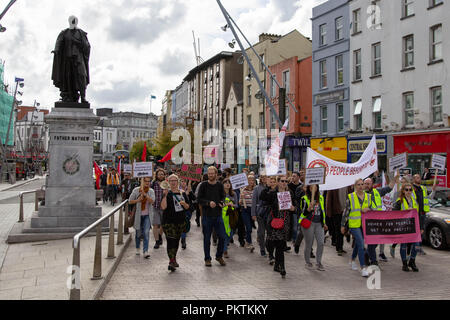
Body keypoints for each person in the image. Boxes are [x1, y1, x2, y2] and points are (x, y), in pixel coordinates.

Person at [260, 176, 295, 278]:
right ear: (278, 182)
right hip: (274, 221)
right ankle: (276, 264)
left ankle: (282, 267)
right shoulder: (273, 193)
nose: (284, 183)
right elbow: (262, 197)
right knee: (272, 243)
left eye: (286, 181)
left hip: (285, 222)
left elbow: (296, 206)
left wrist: (294, 208)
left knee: (280, 245)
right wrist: (268, 186)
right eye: (282, 181)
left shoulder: (290, 193)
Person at [51, 16, 90, 103]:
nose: (73, 22)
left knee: (82, 76)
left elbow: (87, 46)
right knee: (67, 77)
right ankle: (67, 96)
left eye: (75, 20)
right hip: (67, 60)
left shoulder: (81, 33)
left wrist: (78, 43)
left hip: (79, 59)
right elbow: (59, 42)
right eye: (72, 20)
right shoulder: (64, 33)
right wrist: (56, 50)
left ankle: (83, 97)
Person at [364, 174, 399, 264]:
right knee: (371, 242)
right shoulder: (361, 194)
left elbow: (389, 188)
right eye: (365, 183)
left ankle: (367, 255)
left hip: (377, 222)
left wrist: (395, 179)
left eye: (368, 183)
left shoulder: (377, 192)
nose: (367, 185)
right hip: (366, 223)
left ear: (372, 184)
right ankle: (373, 261)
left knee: (375, 242)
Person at [341, 179, 371, 277]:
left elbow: (374, 208)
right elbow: (346, 212)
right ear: (355, 186)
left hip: (364, 224)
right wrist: (342, 225)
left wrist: (369, 209)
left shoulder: (368, 196)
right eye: (358, 185)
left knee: (359, 243)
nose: (361, 186)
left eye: (362, 184)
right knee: (361, 244)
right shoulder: (351, 197)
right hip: (354, 224)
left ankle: (352, 259)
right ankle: (363, 267)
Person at [197, 166, 227, 267]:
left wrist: (222, 202)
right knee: (206, 238)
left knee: (222, 236)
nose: (210, 175)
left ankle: (219, 256)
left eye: (212, 173)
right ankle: (207, 258)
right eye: (209, 173)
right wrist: (208, 203)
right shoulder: (203, 185)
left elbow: (223, 196)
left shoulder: (219, 185)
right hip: (207, 216)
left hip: (218, 215)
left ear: (216, 174)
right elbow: (199, 199)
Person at [161, 174, 190, 271]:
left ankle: (174, 258)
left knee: (176, 241)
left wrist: (184, 204)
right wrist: (165, 195)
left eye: (175, 180)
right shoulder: (167, 193)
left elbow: (188, 207)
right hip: (168, 222)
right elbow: (163, 207)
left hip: (180, 221)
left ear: (178, 182)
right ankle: (171, 260)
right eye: (171, 181)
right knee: (170, 240)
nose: (173, 182)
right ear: (168, 182)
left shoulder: (182, 193)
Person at [393, 182, 420, 272]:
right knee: (403, 245)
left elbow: (418, 213)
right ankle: (404, 264)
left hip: (413, 226)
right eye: (406, 189)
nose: (408, 191)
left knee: (417, 245)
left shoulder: (414, 200)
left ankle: (412, 261)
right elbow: (394, 213)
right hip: (403, 227)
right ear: (403, 191)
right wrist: (405, 212)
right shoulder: (399, 201)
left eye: (410, 190)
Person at [299, 184, 327, 271]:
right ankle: (307, 261)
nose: (313, 189)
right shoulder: (304, 198)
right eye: (311, 187)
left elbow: (323, 211)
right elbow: (302, 212)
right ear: (308, 189)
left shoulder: (321, 198)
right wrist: (308, 208)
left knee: (321, 242)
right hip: (309, 223)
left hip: (319, 223)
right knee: (309, 244)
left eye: (315, 187)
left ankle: (318, 262)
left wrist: (324, 223)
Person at [129, 177, 155, 259]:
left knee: (146, 233)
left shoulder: (151, 191)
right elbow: (130, 201)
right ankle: (137, 248)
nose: (147, 183)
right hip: (138, 215)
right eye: (145, 181)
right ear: (141, 181)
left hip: (147, 215)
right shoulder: (136, 190)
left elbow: (152, 201)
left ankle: (145, 251)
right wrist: (138, 200)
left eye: (149, 181)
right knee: (138, 233)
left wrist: (145, 195)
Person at [325, 187, 348, 256]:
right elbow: (328, 199)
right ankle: (339, 248)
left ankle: (340, 246)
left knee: (344, 229)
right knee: (338, 230)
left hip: (346, 211)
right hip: (337, 211)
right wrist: (328, 213)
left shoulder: (348, 186)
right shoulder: (334, 186)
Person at [411, 174, 429, 255]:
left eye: (419, 177)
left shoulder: (423, 188)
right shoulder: (411, 188)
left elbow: (427, 198)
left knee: (421, 231)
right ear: (413, 179)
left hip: (422, 213)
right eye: (417, 177)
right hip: (415, 213)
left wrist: (434, 190)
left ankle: (419, 247)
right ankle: (416, 248)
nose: (419, 179)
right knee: (416, 232)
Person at [252, 175, 270, 257]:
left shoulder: (271, 187)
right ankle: (262, 249)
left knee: (269, 232)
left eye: (266, 177)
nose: (264, 179)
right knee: (261, 232)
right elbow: (254, 201)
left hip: (270, 213)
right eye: (263, 177)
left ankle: (269, 247)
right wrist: (253, 214)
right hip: (261, 212)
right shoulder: (257, 188)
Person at [222, 178, 239, 258]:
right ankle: (224, 250)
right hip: (223, 216)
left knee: (231, 233)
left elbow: (237, 205)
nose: (227, 184)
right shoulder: (221, 194)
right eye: (225, 183)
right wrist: (224, 205)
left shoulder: (234, 194)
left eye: (229, 183)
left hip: (231, 216)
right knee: (225, 233)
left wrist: (232, 205)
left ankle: (224, 245)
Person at [239, 175, 256, 252]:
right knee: (248, 227)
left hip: (252, 211)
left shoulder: (255, 190)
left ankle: (247, 241)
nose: (251, 182)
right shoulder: (243, 190)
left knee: (250, 228)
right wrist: (241, 198)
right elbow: (239, 203)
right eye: (249, 180)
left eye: (252, 180)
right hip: (245, 210)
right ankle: (249, 243)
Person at [152, 168, 166, 249]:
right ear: (156, 175)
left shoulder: (166, 184)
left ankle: (160, 235)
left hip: (164, 207)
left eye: (162, 174)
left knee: (163, 224)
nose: (161, 175)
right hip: (155, 206)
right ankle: (157, 241)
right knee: (155, 224)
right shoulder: (153, 183)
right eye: (159, 174)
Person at [179, 179, 195, 250]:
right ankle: (183, 239)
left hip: (188, 210)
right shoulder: (177, 190)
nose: (183, 183)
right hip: (179, 211)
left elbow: (194, 198)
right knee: (183, 225)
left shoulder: (189, 190)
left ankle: (183, 238)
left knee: (185, 224)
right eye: (182, 181)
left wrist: (190, 193)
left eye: (184, 181)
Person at [288, 172, 302, 246]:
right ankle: (294, 239)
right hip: (291, 208)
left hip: (299, 208)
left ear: (298, 177)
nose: (293, 177)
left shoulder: (301, 186)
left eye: (294, 176)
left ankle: (297, 238)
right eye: (292, 176)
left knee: (299, 225)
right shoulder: (289, 186)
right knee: (294, 225)